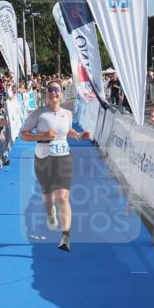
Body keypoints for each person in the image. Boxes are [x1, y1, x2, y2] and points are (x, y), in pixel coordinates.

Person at [20, 79, 90, 252]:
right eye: (51, 89)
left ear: (61, 92)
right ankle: (50, 214)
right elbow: (23, 135)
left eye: (57, 90)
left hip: (63, 156)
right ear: (47, 93)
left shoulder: (67, 113)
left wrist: (79, 136)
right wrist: (42, 135)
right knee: (48, 194)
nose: (54, 93)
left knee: (63, 197)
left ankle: (65, 237)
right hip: (43, 157)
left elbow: (67, 132)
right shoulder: (38, 113)